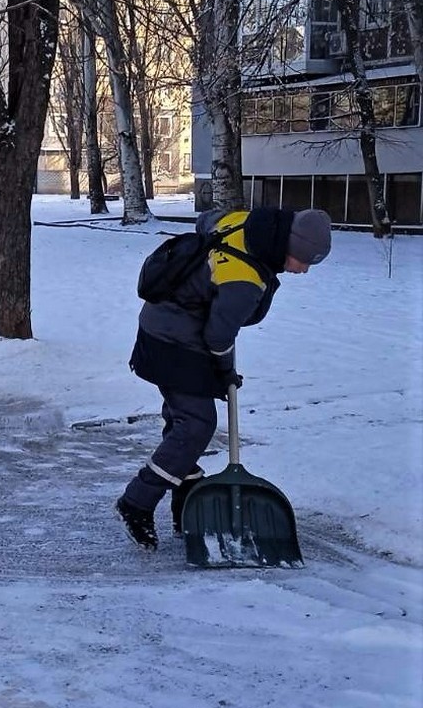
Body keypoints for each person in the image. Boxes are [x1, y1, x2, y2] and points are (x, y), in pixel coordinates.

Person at [116, 206, 332, 550]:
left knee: (183, 420)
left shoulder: (244, 221)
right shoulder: (244, 280)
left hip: (166, 326)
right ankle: (136, 502)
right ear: (288, 246)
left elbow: (207, 221)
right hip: (172, 340)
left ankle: (186, 496)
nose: (303, 270)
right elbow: (219, 337)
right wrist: (225, 372)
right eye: (303, 261)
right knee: (197, 424)